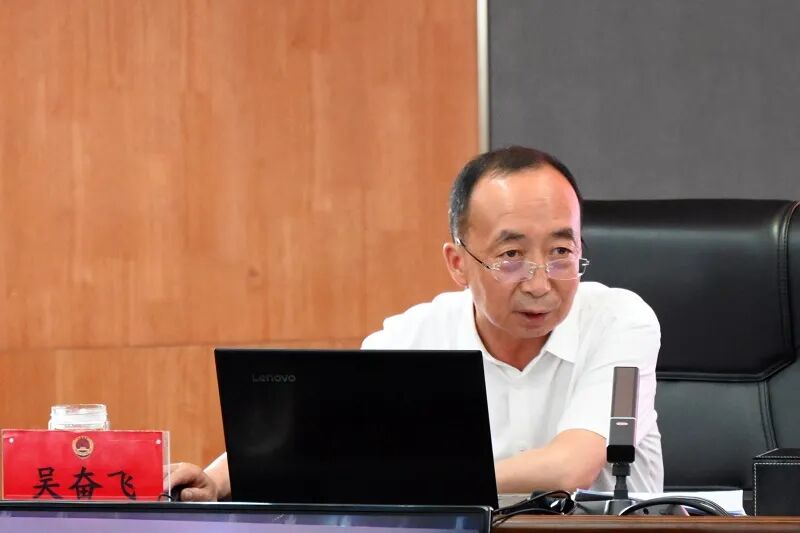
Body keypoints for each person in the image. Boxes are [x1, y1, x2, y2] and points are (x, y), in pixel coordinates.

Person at [169, 146, 663, 501]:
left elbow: (571, 466)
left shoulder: (620, 320)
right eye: (511, 256)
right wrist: (217, 479)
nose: (540, 283)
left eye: (561, 252)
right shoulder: (414, 336)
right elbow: (317, 427)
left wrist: (422, 478)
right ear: (458, 263)